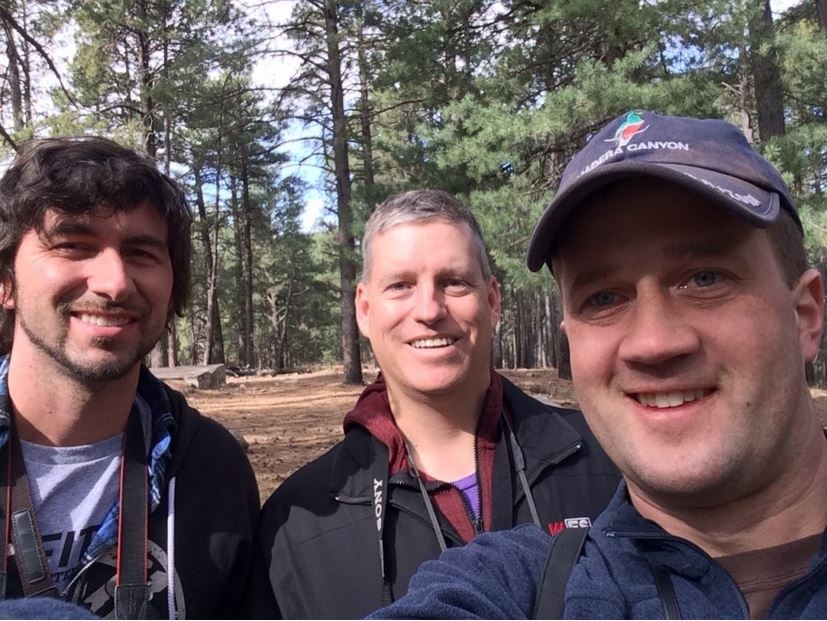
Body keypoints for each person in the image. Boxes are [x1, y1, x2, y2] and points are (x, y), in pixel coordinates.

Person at [368, 110, 827, 619]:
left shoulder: (567, 454)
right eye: (604, 297)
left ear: (805, 316)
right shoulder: (520, 586)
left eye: (704, 279)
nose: (653, 343)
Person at [253, 189, 620, 618]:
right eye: (400, 285)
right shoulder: (295, 525)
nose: (429, 309)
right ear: (365, 309)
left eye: (454, 282)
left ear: (493, 300)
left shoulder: (612, 462)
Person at [0, 137, 262, 618]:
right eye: (74, 245)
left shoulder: (211, 470)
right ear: (6, 281)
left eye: (141, 253)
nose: (115, 282)